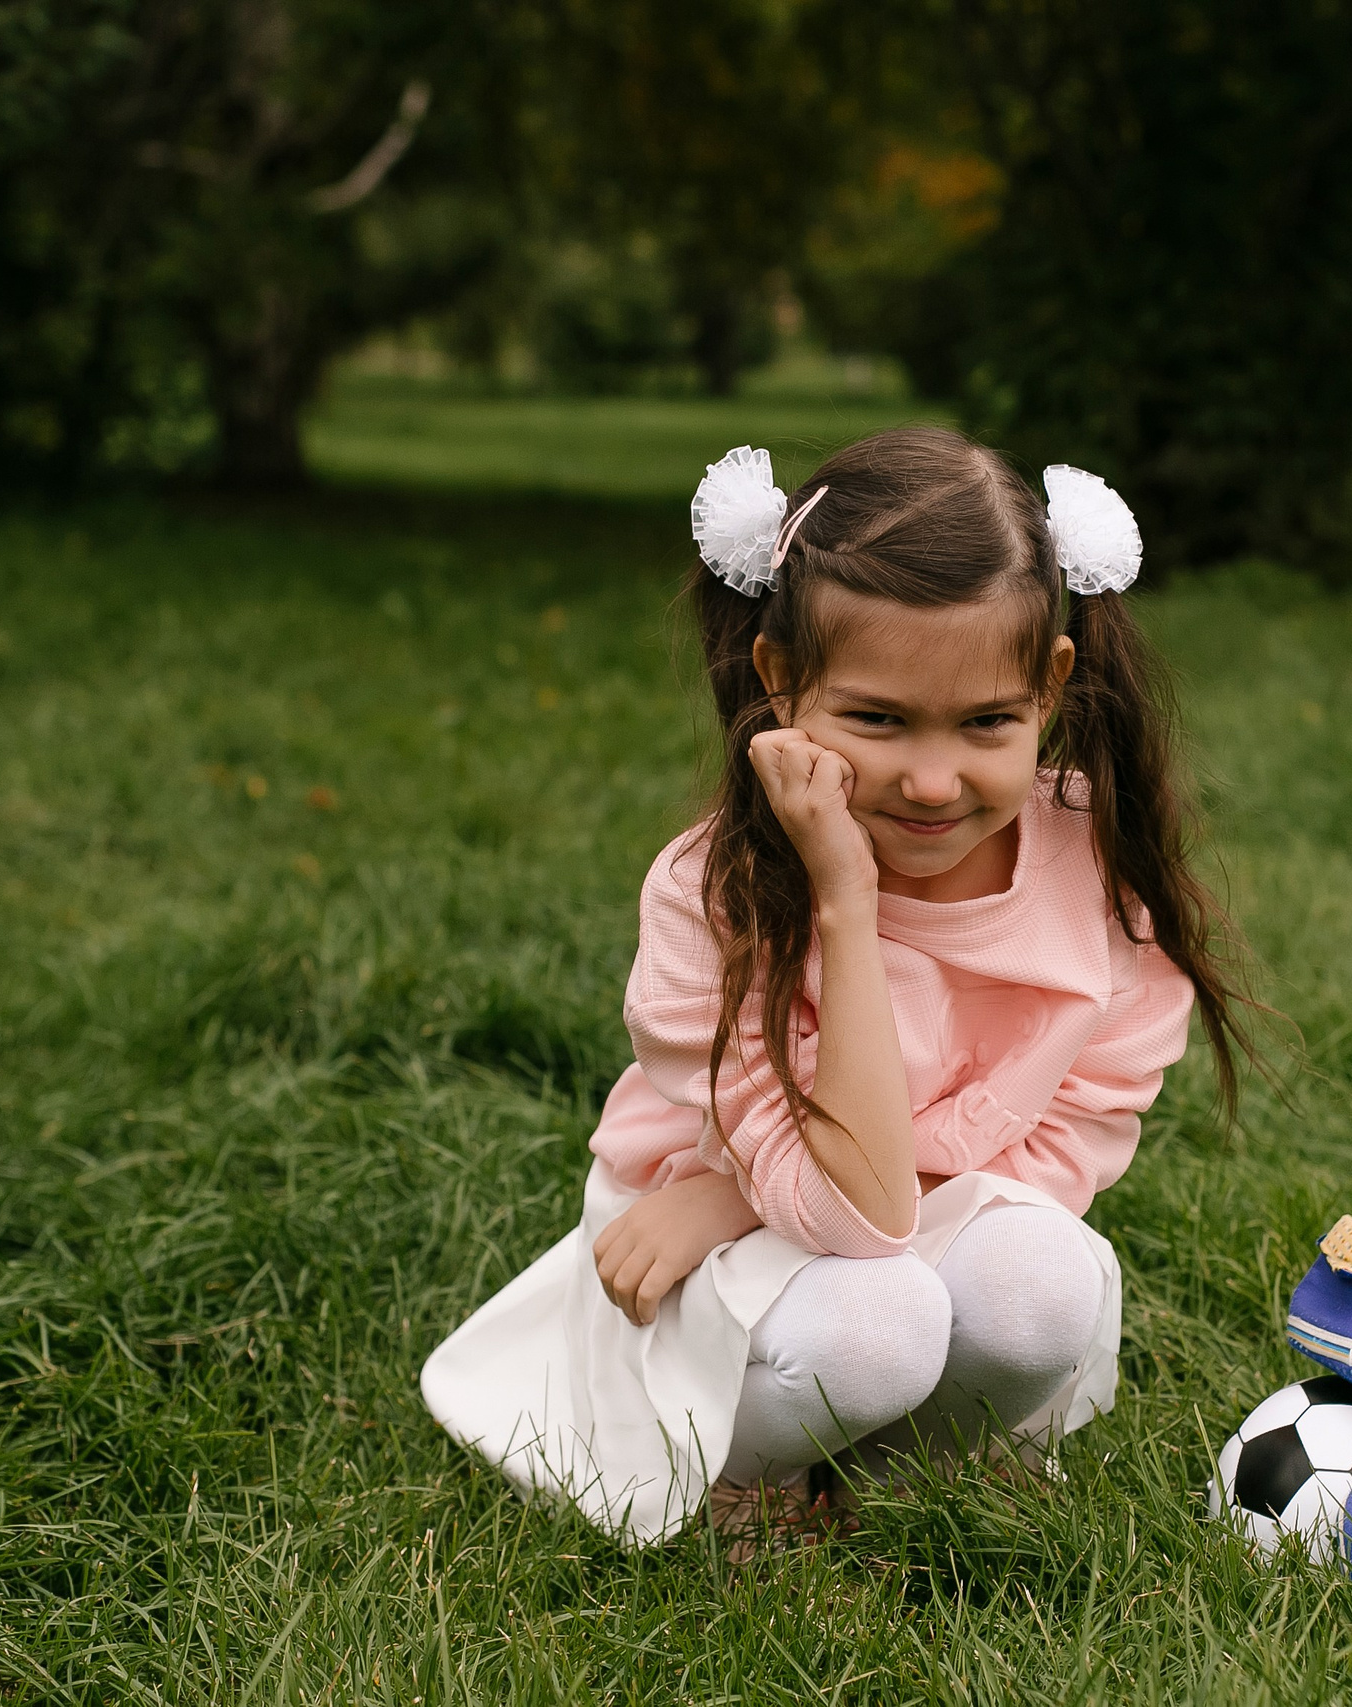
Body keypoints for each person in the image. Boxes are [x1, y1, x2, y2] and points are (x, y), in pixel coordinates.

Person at [421, 425, 1247, 1550]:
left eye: (987, 722)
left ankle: (912, 1470)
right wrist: (844, 906)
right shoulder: (712, 897)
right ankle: (743, 1474)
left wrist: (765, 1190)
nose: (931, 779)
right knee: (875, 1318)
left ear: (1051, 687)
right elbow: (854, 1219)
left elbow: (1067, 1147)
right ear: (781, 681)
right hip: (706, 1251)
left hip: (836, 1205)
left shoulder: (1102, 875)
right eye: (876, 719)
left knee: (1043, 1280)